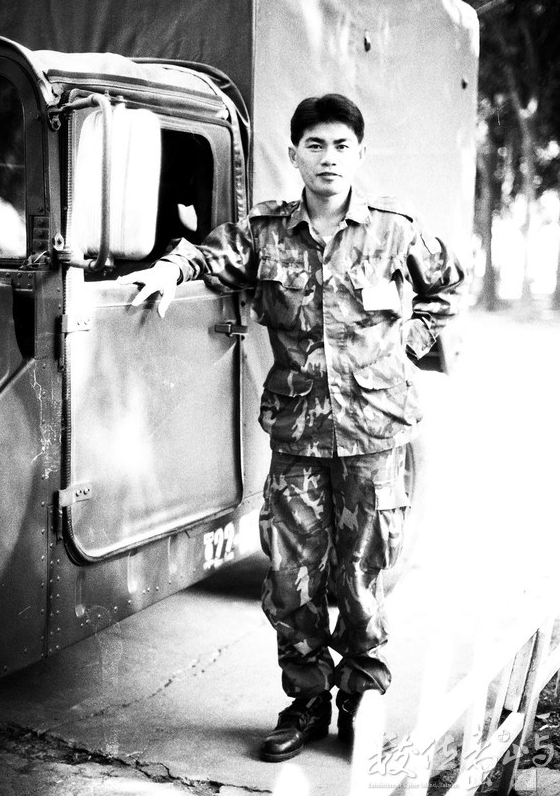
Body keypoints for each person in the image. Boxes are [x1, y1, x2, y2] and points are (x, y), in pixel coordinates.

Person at [119, 94, 465, 762]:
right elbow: (206, 256)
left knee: (361, 574)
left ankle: (361, 698)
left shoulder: (397, 232)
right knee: (289, 578)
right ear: (295, 154)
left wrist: (408, 342)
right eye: (315, 145)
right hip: (298, 436)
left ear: (358, 154)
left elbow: (447, 289)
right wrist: (166, 271)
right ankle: (306, 702)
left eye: (341, 145)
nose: (328, 158)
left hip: (374, 434)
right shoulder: (266, 232)